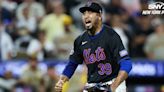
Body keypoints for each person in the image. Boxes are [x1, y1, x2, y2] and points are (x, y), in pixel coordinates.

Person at [55, 1, 132, 92]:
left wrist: (114, 86)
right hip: (92, 84)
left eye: (90, 13)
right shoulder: (80, 40)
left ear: (99, 16)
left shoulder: (111, 35)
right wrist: (61, 81)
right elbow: (72, 64)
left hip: (113, 81)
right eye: (84, 14)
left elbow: (127, 63)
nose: (86, 16)